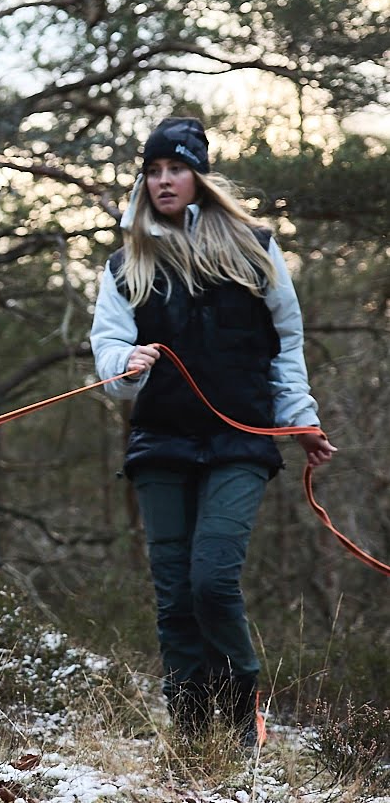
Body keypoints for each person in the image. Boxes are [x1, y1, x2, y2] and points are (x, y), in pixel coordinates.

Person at [90, 116, 336, 747]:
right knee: (174, 599)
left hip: (241, 442)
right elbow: (109, 354)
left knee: (212, 580)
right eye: (153, 171)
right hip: (162, 444)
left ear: (198, 176)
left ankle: (241, 705)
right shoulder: (126, 263)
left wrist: (301, 418)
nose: (163, 181)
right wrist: (127, 365)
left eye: (175, 169)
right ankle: (194, 738)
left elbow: (287, 341)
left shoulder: (256, 247)